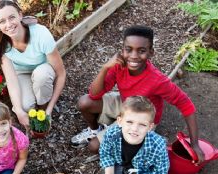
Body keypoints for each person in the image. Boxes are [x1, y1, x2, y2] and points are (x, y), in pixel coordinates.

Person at [70, 25, 204, 163]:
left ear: (151, 52)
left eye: (141, 51)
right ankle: (95, 130)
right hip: (125, 103)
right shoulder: (118, 66)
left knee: (94, 146)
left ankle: (143, 144)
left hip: (141, 116)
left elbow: (186, 104)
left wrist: (194, 144)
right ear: (122, 50)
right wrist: (105, 68)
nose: (134, 56)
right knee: (84, 102)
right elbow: (94, 94)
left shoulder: (157, 80)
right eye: (128, 49)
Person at [0, 0, 66, 128]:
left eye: (12, 17)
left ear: (20, 15)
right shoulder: (0, 43)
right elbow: (11, 80)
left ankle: (43, 106)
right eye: (2, 21)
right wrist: (18, 110)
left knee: (42, 76)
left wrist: (48, 111)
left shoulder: (41, 34)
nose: (8, 24)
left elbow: (61, 74)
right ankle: (36, 100)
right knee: (24, 106)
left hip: (44, 70)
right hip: (21, 73)